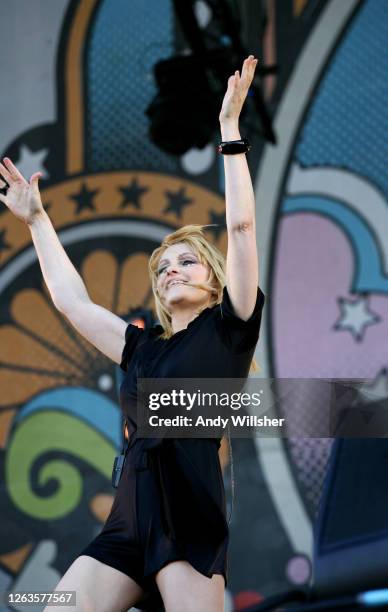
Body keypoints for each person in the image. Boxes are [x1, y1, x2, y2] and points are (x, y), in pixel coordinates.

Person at [0, 55, 264, 612]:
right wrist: (37, 220)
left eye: (187, 262)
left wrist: (230, 135)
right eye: (163, 266)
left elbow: (240, 228)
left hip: (187, 518)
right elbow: (72, 303)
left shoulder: (229, 330)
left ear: (215, 283)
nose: (171, 271)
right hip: (126, 522)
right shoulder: (142, 348)